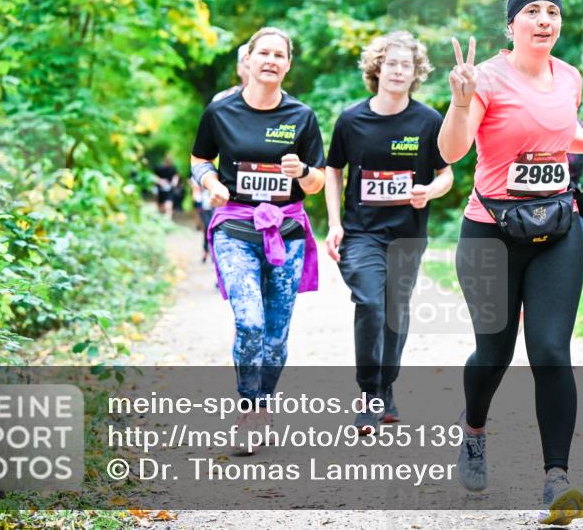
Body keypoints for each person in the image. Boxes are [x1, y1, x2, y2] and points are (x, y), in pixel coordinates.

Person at [437, 0, 583, 525]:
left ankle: (556, 480)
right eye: (534, 11)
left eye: (553, 12)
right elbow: (452, 151)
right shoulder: (487, 80)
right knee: (493, 352)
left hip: (556, 227)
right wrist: (459, 101)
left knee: (549, 348)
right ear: (512, 23)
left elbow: (553, 129)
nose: (546, 20)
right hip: (490, 232)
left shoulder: (569, 78)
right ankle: (473, 431)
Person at [189, 27, 325, 451]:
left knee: (276, 336)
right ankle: (249, 408)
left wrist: (300, 172)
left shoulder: (301, 117)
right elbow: (198, 159)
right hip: (235, 227)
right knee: (249, 321)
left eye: (278, 54)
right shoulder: (221, 111)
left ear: (288, 64)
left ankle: (264, 401)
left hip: (287, 231)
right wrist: (210, 181)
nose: (270, 60)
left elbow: (319, 181)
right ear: (247, 60)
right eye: (262, 52)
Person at [324, 31, 453, 434]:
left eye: (407, 65)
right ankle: (369, 394)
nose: (399, 71)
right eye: (392, 63)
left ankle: (386, 384)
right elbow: (334, 170)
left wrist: (428, 191)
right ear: (378, 67)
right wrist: (334, 222)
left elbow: (446, 174)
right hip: (362, 233)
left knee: (396, 311)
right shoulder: (351, 119)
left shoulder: (429, 120)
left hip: (407, 235)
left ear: (416, 73)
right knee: (371, 303)